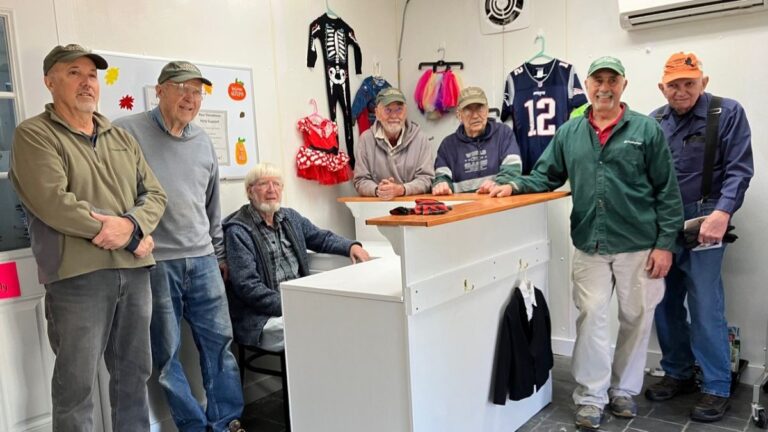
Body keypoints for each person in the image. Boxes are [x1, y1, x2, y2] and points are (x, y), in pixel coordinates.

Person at [490, 56, 684, 430]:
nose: (605, 87)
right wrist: (514, 183)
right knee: (592, 317)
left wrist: (665, 244)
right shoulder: (569, 132)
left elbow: (667, 191)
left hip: (639, 244)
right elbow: (545, 175)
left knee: (636, 318)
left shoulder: (646, 130)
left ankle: (623, 389)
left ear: (623, 85)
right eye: (598, 80)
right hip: (589, 244)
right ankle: (591, 396)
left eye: (613, 80)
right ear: (588, 85)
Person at [9, 44, 167, 431]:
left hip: (134, 273)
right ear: (49, 81)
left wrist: (130, 227)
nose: (86, 83)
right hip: (77, 277)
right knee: (75, 387)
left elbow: (156, 195)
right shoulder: (34, 135)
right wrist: (130, 236)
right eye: (73, 73)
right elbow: (54, 203)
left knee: (134, 376)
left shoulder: (120, 136)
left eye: (92, 75)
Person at [114, 61, 246, 432]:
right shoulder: (127, 131)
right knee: (167, 356)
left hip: (203, 259)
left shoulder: (203, 141)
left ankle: (227, 423)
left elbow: (212, 205)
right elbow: (108, 186)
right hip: (156, 264)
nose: (190, 98)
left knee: (220, 347)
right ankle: (192, 425)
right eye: (181, 88)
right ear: (160, 90)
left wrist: (219, 255)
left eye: (197, 91)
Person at [645, 52, 754, 423]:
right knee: (663, 300)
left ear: (703, 82)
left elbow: (740, 170)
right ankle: (677, 371)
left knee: (706, 302)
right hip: (662, 224)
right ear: (662, 87)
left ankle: (716, 385)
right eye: (673, 84)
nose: (681, 90)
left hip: (706, 218)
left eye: (689, 82)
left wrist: (722, 214)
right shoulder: (653, 122)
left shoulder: (727, 113)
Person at [224, 163, 370, 351]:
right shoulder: (238, 230)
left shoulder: (290, 217)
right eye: (263, 184)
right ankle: (312, 379)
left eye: (277, 184)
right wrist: (293, 304)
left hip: (297, 304)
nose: (271, 190)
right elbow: (247, 287)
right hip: (260, 318)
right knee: (319, 328)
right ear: (250, 191)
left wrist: (351, 246)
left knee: (341, 317)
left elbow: (321, 238)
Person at [432, 86, 521, 195]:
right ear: (459, 115)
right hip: (464, 208)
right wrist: (442, 185)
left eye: (480, 108)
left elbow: (513, 170)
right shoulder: (447, 146)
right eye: (468, 110)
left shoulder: (503, 134)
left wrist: (498, 183)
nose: (475, 116)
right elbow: (442, 178)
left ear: (487, 110)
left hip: (497, 204)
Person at [353, 87, 434, 199]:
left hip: (412, 209)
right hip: (376, 207)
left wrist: (401, 189)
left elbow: (427, 179)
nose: (394, 116)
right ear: (377, 113)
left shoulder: (421, 139)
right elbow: (360, 180)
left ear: (406, 112)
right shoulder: (365, 139)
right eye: (388, 110)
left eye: (399, 109)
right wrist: (378, 190)